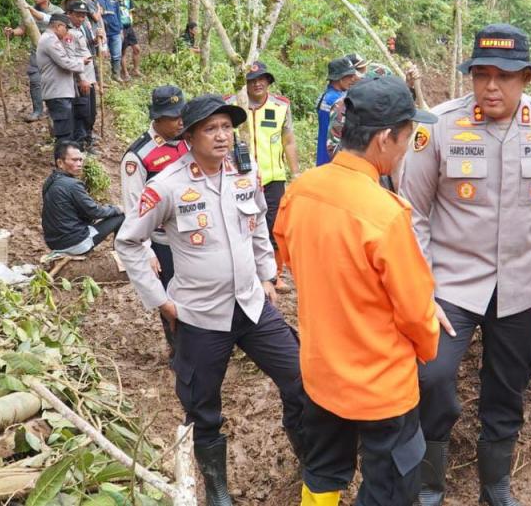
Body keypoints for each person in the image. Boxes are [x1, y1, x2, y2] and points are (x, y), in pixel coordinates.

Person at [399, 23, 531, 506]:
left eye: (504, 76)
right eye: (481, 75)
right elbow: (411, 213)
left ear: (525, 78)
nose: (491, 86)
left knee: (507, 389)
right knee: (432, 377)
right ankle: (428, 486)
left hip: (520, 286)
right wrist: (421, 290)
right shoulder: (439, 126)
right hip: (451, 285)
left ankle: (495, 488)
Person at [115, 95, 305, 505]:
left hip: (252, 306)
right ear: (189, 136)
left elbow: (257, 226)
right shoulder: (166, 185)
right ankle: (217, 490)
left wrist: (267, 275)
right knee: (202, 407)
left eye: (226, 127)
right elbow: (128, 241)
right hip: (200, 316)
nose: (222, 136)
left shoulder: (243, 175)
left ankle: (309, 460)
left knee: (301, 377)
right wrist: (159, 299)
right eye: (210, 129)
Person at [274, 75, 445, 506]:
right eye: (407, 137)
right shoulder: (385, 214)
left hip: (321, 373)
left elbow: (288, 254)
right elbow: (414, 311)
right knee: (390, 484)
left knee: (322, 472)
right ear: (385, 138)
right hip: (380, 384)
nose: (406, 149)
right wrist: (427, 346)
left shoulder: (300, 190)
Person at [120, 86, 190, 352]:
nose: (180, 122)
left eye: (182, 115)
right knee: (171, 299)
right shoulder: (138, 156)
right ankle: (179, 352)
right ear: (157, 118)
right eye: (173, 117)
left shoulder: (189, 140)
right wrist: (146, 251)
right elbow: (133, 208)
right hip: (163, 241)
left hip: (194, 232)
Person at [225, 62, 298, 293]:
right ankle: (247, 272)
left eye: (262, 79)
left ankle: (275, 275)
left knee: (274, 226)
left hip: (273, 177)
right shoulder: (231, 104)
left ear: (268, 81)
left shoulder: (281, 106)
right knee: (243, 224)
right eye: (252, 80)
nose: (257, 84)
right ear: (244, 83)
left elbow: (289, 140)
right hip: (240, 177)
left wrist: (295, 172)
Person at [41, 140, 123, 255]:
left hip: (54, 243)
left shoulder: (49, 182)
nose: (79, 164)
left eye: (80, 160)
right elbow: (95, 212)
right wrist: (117, 209)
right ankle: (120, 257)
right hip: (74, 243)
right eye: (74, 160)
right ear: (60, 163)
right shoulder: (72, 185)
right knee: (121, 217)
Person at [3, 0, 63, 122]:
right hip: (36, 52)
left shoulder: (56, 11)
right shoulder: (28, 12)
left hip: (54, 53)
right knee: (35, 80)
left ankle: (53, 109)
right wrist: (12, 32)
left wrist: (31, 11)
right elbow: (22, 29)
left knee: (53, 81)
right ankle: (37, 110)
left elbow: (50, 20)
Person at [36, 14, 89, 144]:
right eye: (66, 28)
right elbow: (65, 62)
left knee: (67, 130)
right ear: (58, 26)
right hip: (57, 92)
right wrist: (81, 61)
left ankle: (65, 154)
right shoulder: (50, 40)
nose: (67, 32)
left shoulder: (51, 39)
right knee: (64, 133)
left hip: (60, 91)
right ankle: (62, 156)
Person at [63, 1, 97, 148]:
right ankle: (80, 145)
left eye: (83, 16)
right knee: (82, 113)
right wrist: (81, 79)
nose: (81, 19)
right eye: (78, 15)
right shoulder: (69, 33)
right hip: (81, 80)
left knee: (90, 112)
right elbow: (71, 58)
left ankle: (88, 140)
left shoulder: (80, 29)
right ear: (69, 14)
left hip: (89, 78)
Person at [315, 57, 359, 166]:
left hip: (323, 156)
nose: (353, 79)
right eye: (350, 76)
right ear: (340, 78)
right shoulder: (339, 101)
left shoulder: (324, 96)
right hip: (334, 158)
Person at [97, 0, 124, 81]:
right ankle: (104, 78)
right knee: (103, 55)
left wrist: (121, 29)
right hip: (103, 31)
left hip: (115, 30)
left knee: (117, 55)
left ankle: (116, 75)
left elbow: (118, 14)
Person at [117, 0, 142, 80]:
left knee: (137, 49)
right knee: (122, 51)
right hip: (120, 28)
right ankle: (125, 72)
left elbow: (130, 11)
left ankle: (136, 70)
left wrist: (131, 21)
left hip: (129, 27)